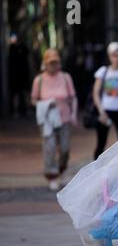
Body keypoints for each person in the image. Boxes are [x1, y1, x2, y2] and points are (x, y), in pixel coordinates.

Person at [31, 48, 78, 191]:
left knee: (65, 148)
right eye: (51, 63)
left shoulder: (65, 77)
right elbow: (33, 100)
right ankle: (51, 175)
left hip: (64, 118)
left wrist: (73, 114)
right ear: (45, 63)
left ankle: (62, 170)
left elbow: (72, 97)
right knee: (49, 147)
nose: (53, 65)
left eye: (56, 62)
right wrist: (44, 104)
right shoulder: (38, 80)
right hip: (47, 120)